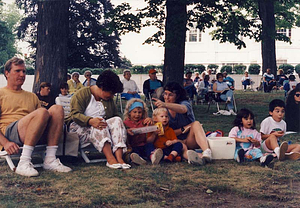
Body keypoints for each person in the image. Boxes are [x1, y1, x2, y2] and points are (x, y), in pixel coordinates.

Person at [0, 57, 71, 177]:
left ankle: (50, 159)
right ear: (7, 73)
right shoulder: (1, 94)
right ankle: (24, 161)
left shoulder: (32, 96)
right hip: (10, 131)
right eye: (17, 71)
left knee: (57, 108)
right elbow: (40, 115)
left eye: (24, 71)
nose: (22, 74)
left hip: (31, 132)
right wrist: (5, 143)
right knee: (42, 112)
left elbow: (41, 118)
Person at [66, 70, 131, 169]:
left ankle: (119, 157)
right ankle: (110, 159)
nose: (112, 96)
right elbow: (75, 115)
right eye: (111, 93)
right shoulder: (82, 94)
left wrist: (125, 127)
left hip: (102, 128)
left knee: (117, 119)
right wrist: (90, 121)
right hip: (81, 128)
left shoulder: (108, 99)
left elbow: (114, 116)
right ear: (101, 87)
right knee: (100, 121)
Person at [153, 82, 212, 165]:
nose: (166, 97)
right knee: (182, 148)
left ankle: (206, 151)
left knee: (196, 124)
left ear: (177, 96)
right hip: (174, 141)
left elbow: (183, 109)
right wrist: (182, 129)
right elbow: (167, 130)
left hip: (189, 139)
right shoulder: (163, 111)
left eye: (170, 95)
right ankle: (198, 158)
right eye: (165, 94)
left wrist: (165, 104)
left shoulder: (184, 103)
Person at [123, 98, 163, 165]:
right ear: (129, 112)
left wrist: (151, 121)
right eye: (134, 112)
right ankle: (138, 159)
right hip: (133, 146)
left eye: (139, 112)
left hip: (143, 144)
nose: (137, 115)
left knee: (149, 146)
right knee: (134, 152)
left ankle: (153, 157)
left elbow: (152, 127)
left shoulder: (144, 121)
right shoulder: (126, 123)